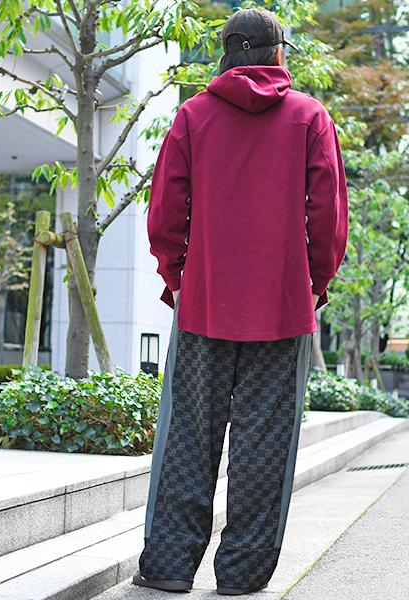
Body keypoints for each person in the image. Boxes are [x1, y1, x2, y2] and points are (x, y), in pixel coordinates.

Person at [133, 7, 349, 596]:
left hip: (204, 305)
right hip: (280, 309)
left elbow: (165, 210)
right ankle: (243, 575)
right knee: (264, 442)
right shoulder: (309, 116)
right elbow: (328, 217)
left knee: (188, 436)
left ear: (226, 55)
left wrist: (177, 277)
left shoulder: (193, 115)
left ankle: (169, 566)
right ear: (278, 54)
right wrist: (313, 283)